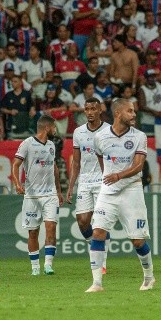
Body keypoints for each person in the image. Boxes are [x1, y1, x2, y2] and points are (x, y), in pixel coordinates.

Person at [86, 98, 155, 292]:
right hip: (108, 191)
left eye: (134, 111)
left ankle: (149, 277)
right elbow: (101, 160)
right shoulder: (100, 137)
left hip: (132, 190)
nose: (134, 114)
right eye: (130, 111)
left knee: (138, 241)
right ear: (118, 113)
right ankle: (97, 283)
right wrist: (109, 178)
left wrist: (118, 176)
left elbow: (139, 166)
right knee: (97, 232)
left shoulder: (139, 136)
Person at [12, 115, 64, 276]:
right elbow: (15, 165)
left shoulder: (51, 145)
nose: (55, 130)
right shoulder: (27, 144)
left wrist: (59, 191)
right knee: (33, 232)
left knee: (51, 227)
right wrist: (17, 184)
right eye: (54, 127)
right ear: (47, 128)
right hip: (32, 196)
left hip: (50, 195)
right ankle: (35, 267)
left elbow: (54, 168)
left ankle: (48, 265)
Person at [66, 98, 111, 271]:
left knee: (100, 221)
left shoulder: (109, 130)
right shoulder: (78, 132)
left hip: (103, 181)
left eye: (93, 109)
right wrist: (71, 186)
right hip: (84, 181)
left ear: (100, 110)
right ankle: (95, 248)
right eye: (87, 109)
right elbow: (76, 162)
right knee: (82, 221)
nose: (90, 112)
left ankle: (102, 262)